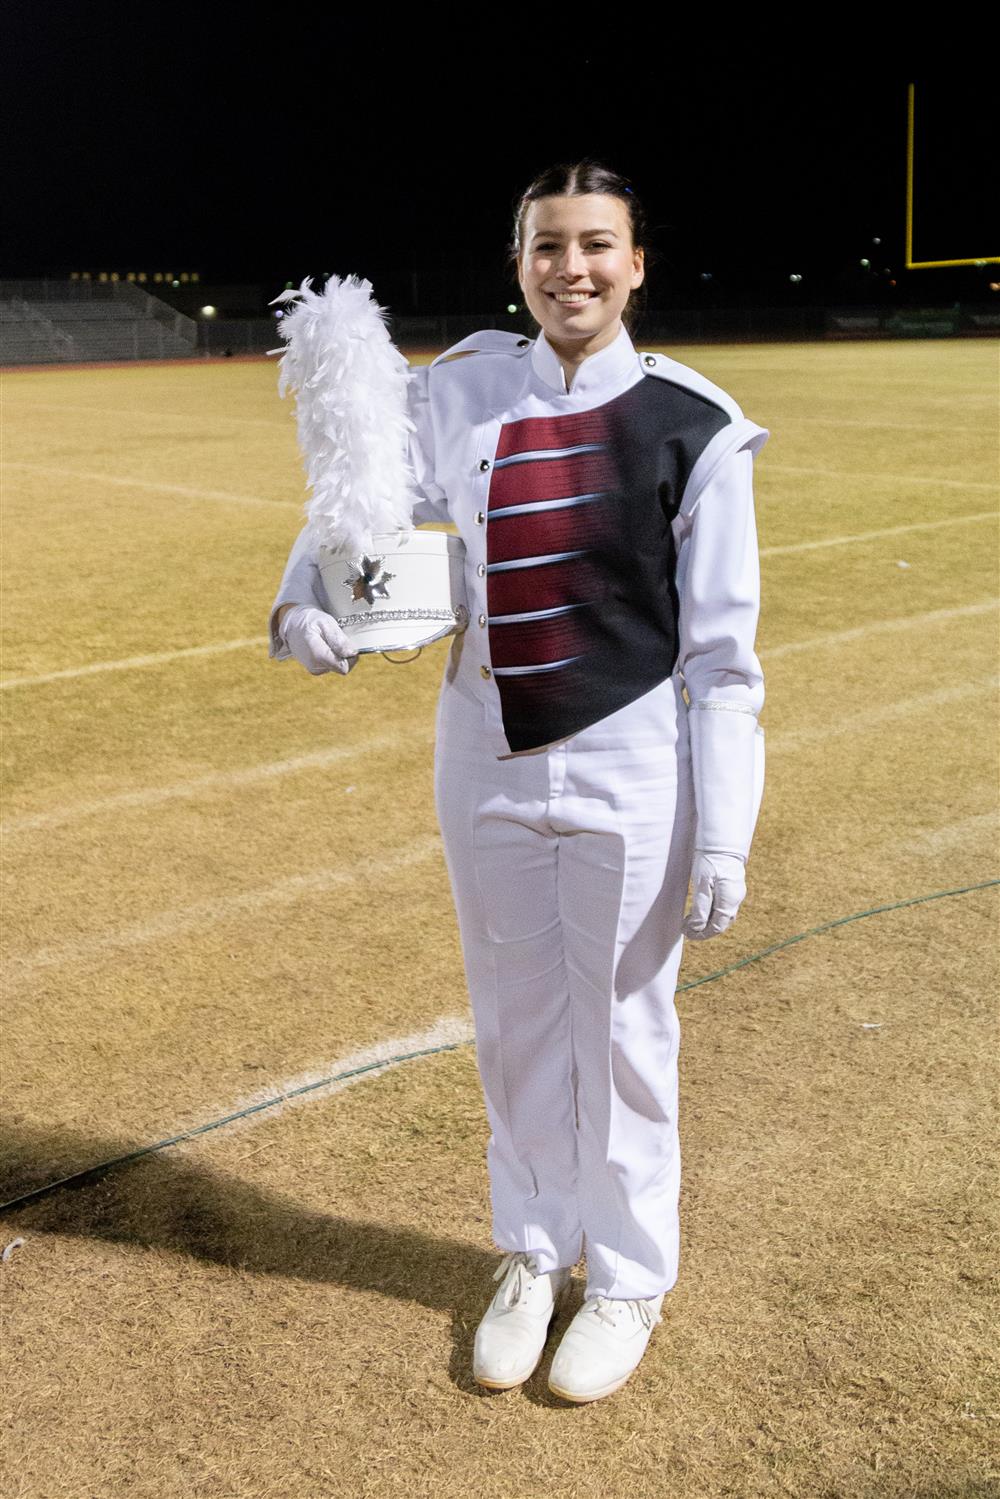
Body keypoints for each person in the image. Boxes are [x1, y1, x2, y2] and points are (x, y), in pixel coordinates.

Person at [267, 158, 769, 1405]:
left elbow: (724, 660)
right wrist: (300, 597)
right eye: (548, 245)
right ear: (520, 262)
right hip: (480, 749)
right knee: (516, 1018)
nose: (572, 268)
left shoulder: (695, 421)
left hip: (631, 760)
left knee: (626, 1025)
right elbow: (372, 504)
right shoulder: (466, 386)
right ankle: (534, 1250)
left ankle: (630, 1274)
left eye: (596, 244)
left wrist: (725, 835)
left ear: (636, 262)